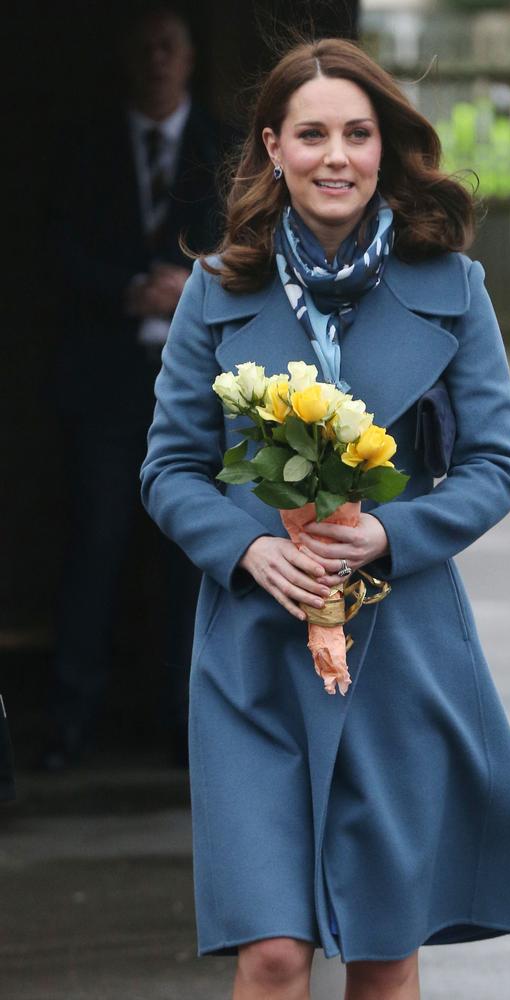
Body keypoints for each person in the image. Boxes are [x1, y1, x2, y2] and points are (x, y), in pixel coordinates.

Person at [140, 37, 510, 999]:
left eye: (358, 134)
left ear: (384, 148)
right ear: (273, 148)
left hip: (401, 650)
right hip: (252, 654)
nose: (338, 156)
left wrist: (391, 535)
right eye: (314, 133)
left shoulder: (455, 287)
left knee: (382, 948)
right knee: (274, 955)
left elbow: (496, 465)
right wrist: (243, 546)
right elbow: (169, 469)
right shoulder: (216, 289)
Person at [43, 6, 237, 770]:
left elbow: (249, 246)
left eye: (170, 46)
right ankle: (69, 723)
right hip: (105, 387)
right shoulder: (85, 146)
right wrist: (131, 289)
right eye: (145, 48)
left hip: (205, 394)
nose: (158, 60)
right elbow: (52, 247)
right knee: (94, 546)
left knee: (195, 561)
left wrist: (192, 287)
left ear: (189, 59)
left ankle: (189, 728)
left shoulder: (225, 147)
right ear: (128, 59)